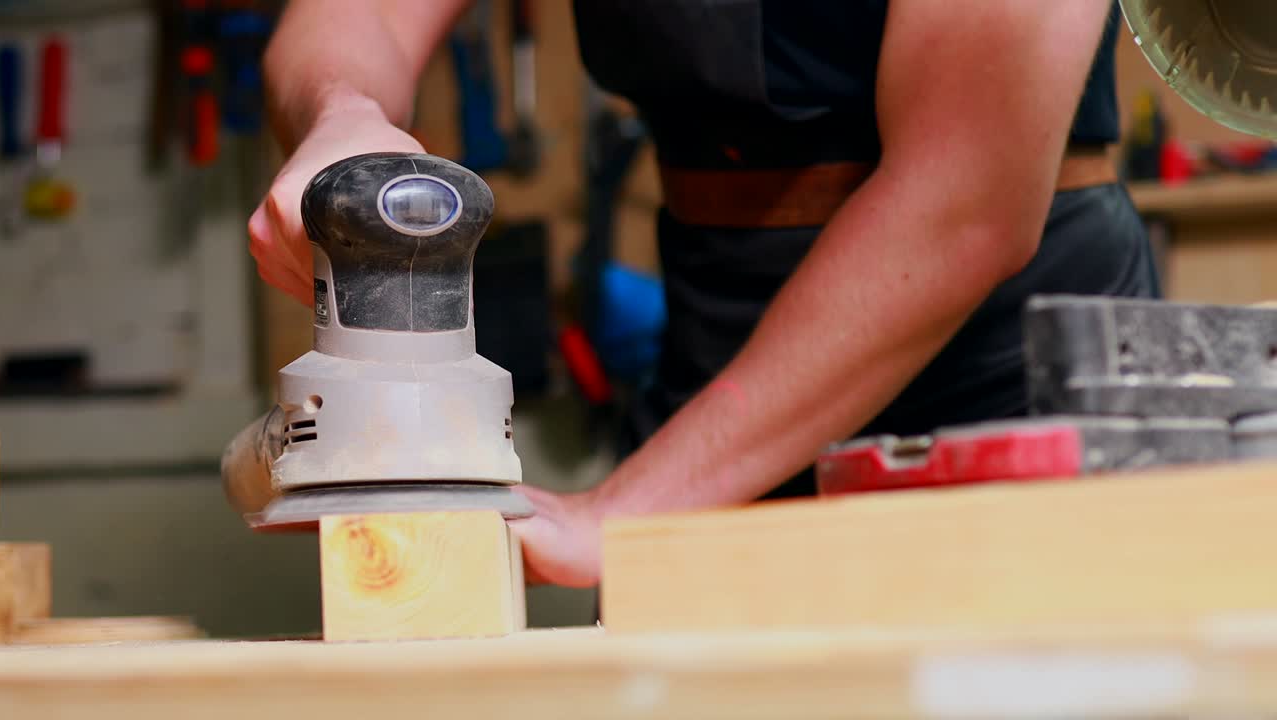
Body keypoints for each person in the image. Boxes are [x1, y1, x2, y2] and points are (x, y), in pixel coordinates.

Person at [247, 1, 1160, 588]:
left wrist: (622, 514)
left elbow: (966, 205)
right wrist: (344, 114)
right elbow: (352, 18)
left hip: (1001, 375)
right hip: (720, 328)